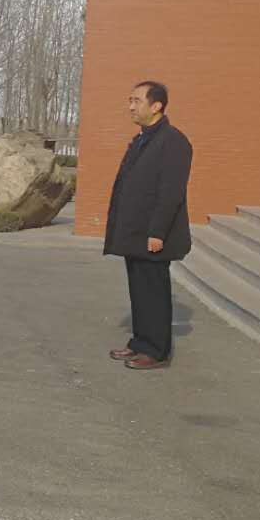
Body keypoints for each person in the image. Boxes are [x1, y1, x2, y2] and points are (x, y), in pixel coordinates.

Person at [104, 81, 193, 371]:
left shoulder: (173, 142)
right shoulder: (143, 139)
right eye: (130, 100)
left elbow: (171, 193)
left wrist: (157, 232)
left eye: (137, 101)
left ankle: (157, 351)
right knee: (139, 290)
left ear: (157, 106)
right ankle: (140, 343)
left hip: (152, 234)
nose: (130, 106)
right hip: (134, 233)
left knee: (153, 291)